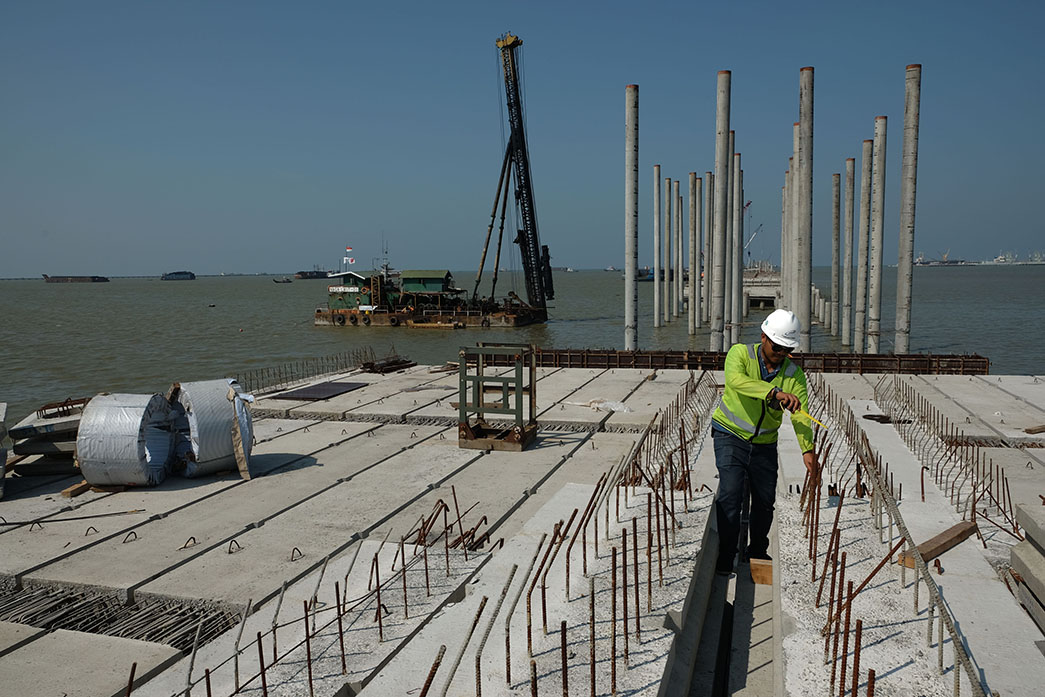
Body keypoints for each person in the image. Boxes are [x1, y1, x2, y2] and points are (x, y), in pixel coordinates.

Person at [711, 309, 817, 575]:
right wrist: (773, 392)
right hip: (730, 435)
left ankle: (757, 550)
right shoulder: (740, 354)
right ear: (764, 337)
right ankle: (726, 556)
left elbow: (800, 415)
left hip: (764, 444)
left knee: (764, 501)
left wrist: (808, 450)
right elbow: (736, 382)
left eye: (786, 349)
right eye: (777, 347)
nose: (781, 354)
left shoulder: (794, 374)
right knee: (730, 495)